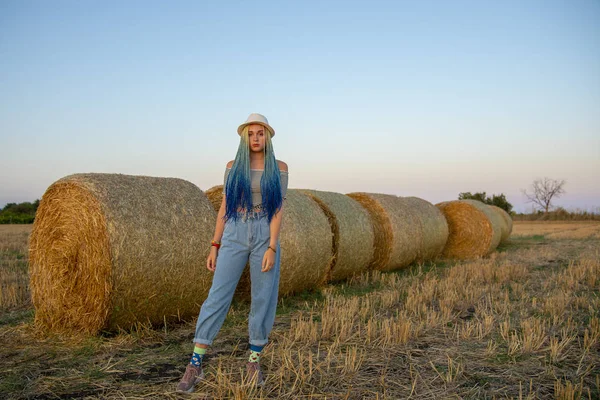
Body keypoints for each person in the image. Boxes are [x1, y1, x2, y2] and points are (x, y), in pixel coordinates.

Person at [177, 113, 288, 392]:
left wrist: (272, 246)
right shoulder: (232, 167)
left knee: (263, 298)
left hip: (264, 234)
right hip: (235, 233)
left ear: (268, 136)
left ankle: (253, 362)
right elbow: (225, 208)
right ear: (243, 137)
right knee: (217, 296)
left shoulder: (280, 168)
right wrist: (215, 245)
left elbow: (277, 210)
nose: (255, 138)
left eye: (260, 133)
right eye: (250, 134)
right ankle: (195, 364)